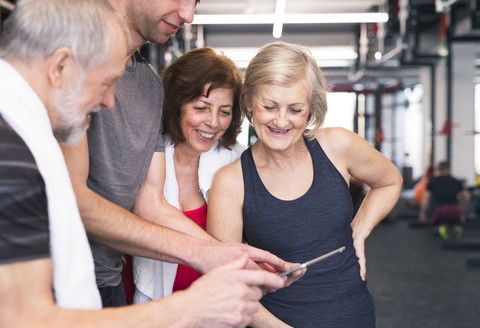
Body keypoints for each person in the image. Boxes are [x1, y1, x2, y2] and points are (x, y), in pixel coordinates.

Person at [0, 1, 285, 326]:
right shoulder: (10, 154)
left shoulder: (25, 135)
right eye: (106, 82)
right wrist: (191, 307)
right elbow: (25, 319)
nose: (108, 102)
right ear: (60, 65)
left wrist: (215, 253)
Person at [207, 41, 404, 327]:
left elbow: (390, 181)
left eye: (295, 109)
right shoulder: (231, 182)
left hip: (355, 315)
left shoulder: (337, 145)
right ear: (249, 100)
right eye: (269, 106)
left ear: (311, 106)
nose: (282, 121)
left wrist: (359, 231)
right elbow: (227, 285)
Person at [132, 47, 246, 302]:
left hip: (213, 308)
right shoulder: (145, 152)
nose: (213, 122)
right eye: (201, 107)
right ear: (177, 105)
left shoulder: (237, 161)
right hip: (149, 303)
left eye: (224, 112)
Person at [419, 161, 470, 239]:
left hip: (440, 212)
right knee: (457, 222)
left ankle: (439, 229)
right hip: (455, 211)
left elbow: (425, 198)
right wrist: (463, 209)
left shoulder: (432, 181)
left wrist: (423, 213)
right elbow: (467, 195)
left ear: (438, 170)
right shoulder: (456, 181)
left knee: (434, 227)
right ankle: (456, 228)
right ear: (449, 170)